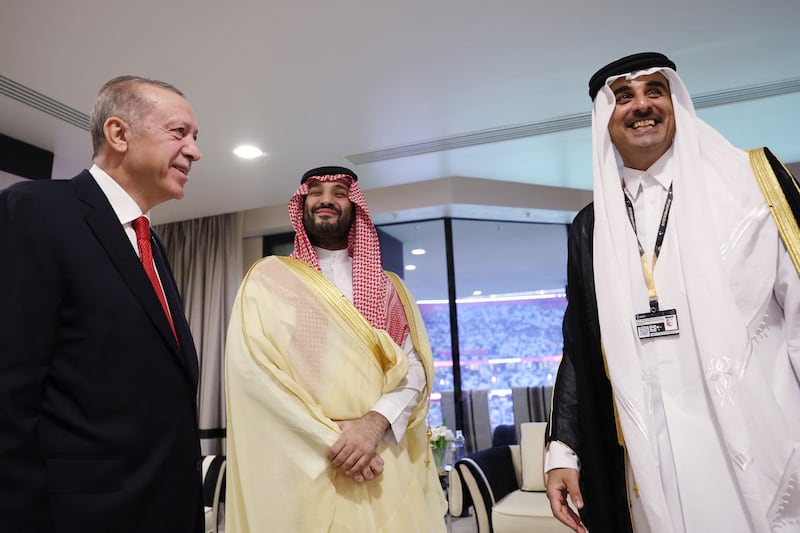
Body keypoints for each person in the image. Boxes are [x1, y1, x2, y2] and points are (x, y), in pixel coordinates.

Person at [544, 52, 800, 533]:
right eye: (624, 96)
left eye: (654, 91)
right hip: (653, 458)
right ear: (605, 119)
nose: (641, 105)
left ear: (676, 102)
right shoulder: (592, 228)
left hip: (759, 443)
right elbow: (579, 346)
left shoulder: (750, 184)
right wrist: (563, 450)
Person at [0, 76, 204, 531]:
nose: (194, 151)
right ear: (118, 134)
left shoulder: (151, 245)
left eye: (195, 138)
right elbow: (9, 395)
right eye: (179, 132)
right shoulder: (34, 211)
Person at [224, 166, 447, 532]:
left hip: (380, 460)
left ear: (355, 206)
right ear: (302, 204)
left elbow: (414, 370)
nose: (326, 199)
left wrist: (371, 427)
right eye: (316, 192)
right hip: (302, 464)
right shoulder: (269, 282)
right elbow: (256, 376)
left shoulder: (390, 289)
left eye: (340, 192)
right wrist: (335, 439)